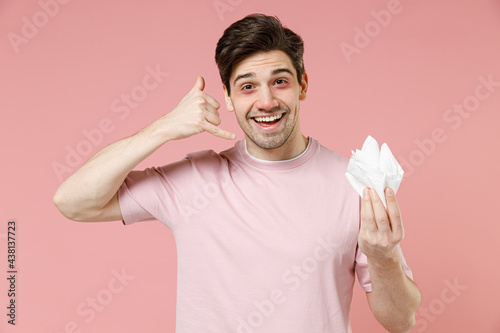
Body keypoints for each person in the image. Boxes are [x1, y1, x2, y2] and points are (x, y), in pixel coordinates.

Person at [54, 13, 421, 333]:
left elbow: (400, 321)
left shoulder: (354, 185)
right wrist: (163, 127)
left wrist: (383, 256)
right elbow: (73, 202)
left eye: (280, 81)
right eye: (247, 87)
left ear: (302, 86)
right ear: (228, 98)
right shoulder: (194, 180)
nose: (266, 101)